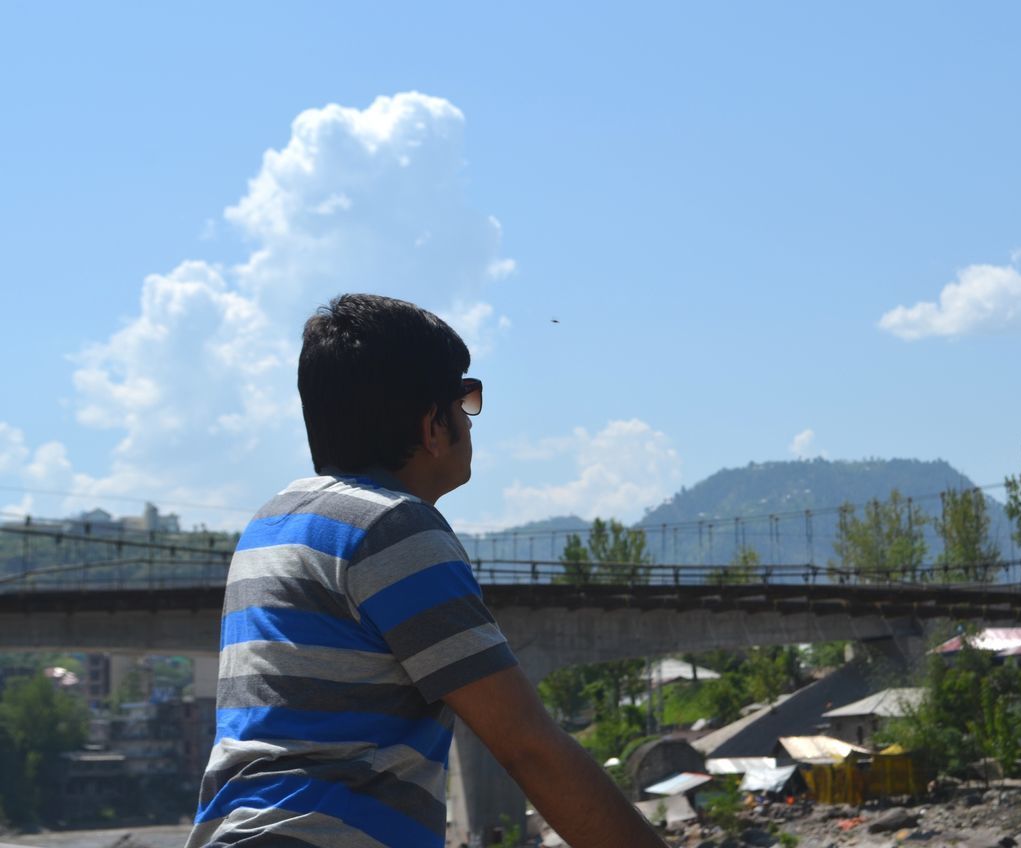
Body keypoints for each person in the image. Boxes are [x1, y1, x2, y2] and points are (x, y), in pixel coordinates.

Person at [188, 294, 667, 848]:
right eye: (465, 400)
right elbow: (527, 747)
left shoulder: (271, 524)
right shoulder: (394, 529)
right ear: (431, 425)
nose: (470, 419)